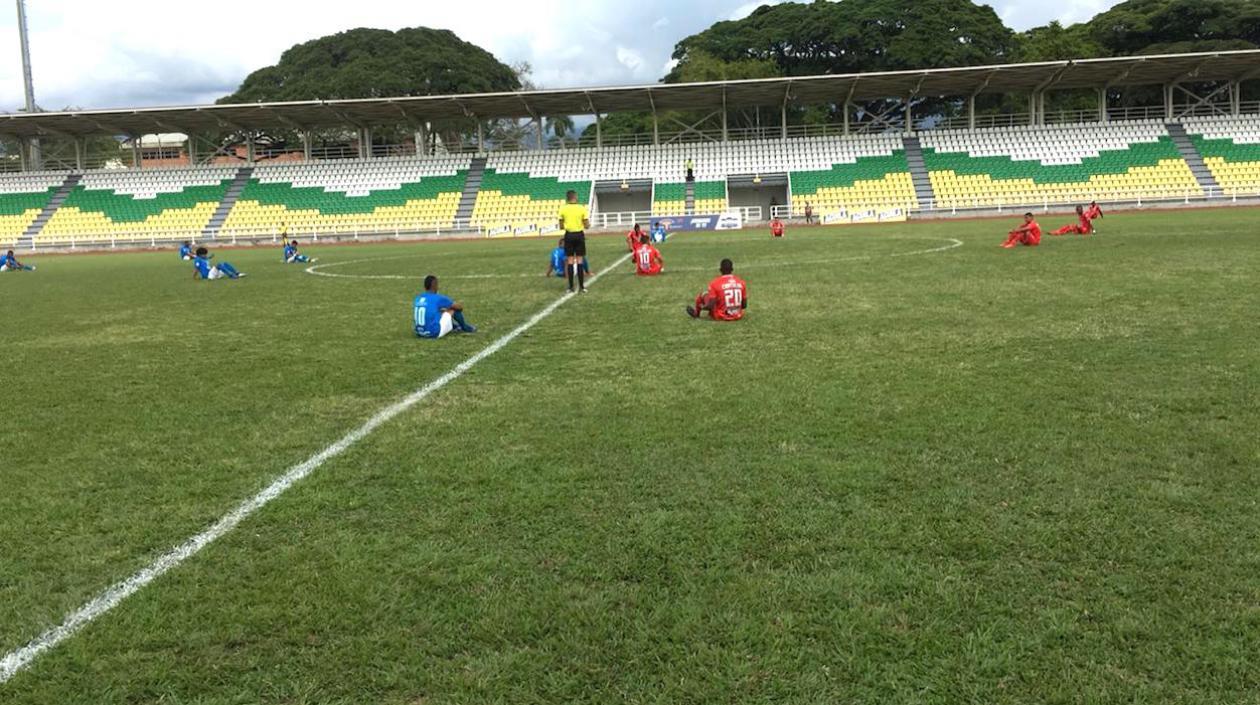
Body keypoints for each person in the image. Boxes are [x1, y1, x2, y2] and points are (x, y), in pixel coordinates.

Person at [413, 274, 475, 338]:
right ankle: (465, 327)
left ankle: (455, 327)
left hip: (419, 332)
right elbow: (459, 307)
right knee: (453, 310)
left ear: (425, 286)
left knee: (439, 311)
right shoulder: (438, 298)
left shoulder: (418, 298)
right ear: (434, 285)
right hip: (433, 333)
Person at [557, 189, 590, 293]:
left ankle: (571, 287)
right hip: (579, 234)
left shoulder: (563, 209)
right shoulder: (581, 208)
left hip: (569, 235)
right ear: (575, 197)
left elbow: (561, 225)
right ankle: (581, 287)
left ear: (567, 198)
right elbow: (586, 224)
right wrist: (586, 225)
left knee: (570, 261)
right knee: (580, 260)